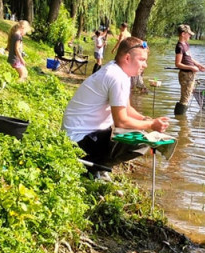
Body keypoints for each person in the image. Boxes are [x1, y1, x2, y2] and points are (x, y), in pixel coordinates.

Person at [62, 36, 169, 176]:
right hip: (78, 138)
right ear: (127, 58)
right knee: (142, 142)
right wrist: (151, 125)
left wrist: (145, 119)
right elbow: (121, 121)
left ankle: (97, 164)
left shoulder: (119, 72)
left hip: (88, 132)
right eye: (142, 60)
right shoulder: (117, 77)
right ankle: (90, 166)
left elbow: (128, 109)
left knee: (137, 132)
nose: (145, 65)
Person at [174, 24, 205, 115]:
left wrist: (199, 65)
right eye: (188, 34)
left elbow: (189, 58)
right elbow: (178, 64)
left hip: (191, 74)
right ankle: (180, 119)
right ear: (183, 34)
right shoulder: (180, 46)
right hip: (185, 75)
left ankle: (181, 120)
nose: (190, 35)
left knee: (187, 96)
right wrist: (191, 67)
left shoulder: (186, 44)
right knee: (185, 98)